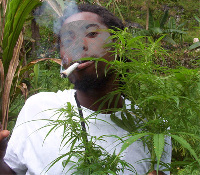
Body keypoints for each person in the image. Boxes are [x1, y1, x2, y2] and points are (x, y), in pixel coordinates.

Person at [0, 3, 171, 175]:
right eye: (67, 40)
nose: (78, 45)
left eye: (91, 34)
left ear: (119, 44)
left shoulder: (154, 129)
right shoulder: (38, 109)